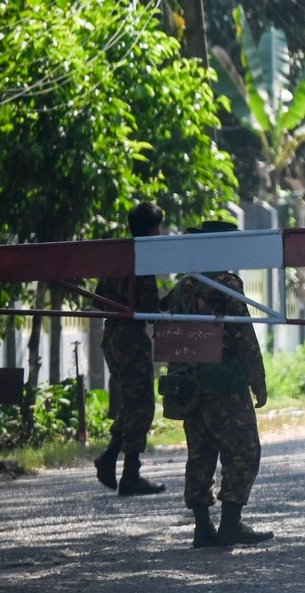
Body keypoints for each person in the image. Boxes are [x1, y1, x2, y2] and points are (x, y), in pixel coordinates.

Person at [164, 220, 275, 548]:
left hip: (187, 385)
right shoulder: (226, 285)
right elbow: (243, 335)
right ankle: (230, 524)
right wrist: (258, 379)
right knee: (243, 449)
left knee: (200, 453)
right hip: (223, 384)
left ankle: (203, 528)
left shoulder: (183, 286)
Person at [93, 202, 167, 496]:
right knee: (143, 405)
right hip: (131, 339)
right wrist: (166, 304)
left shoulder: (116, 259)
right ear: (152, 229)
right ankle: (130, 473)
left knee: (131, 402)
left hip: (111, 336)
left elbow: (98, 298)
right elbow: (148, 308)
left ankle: (110, 457)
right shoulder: (141, 259)